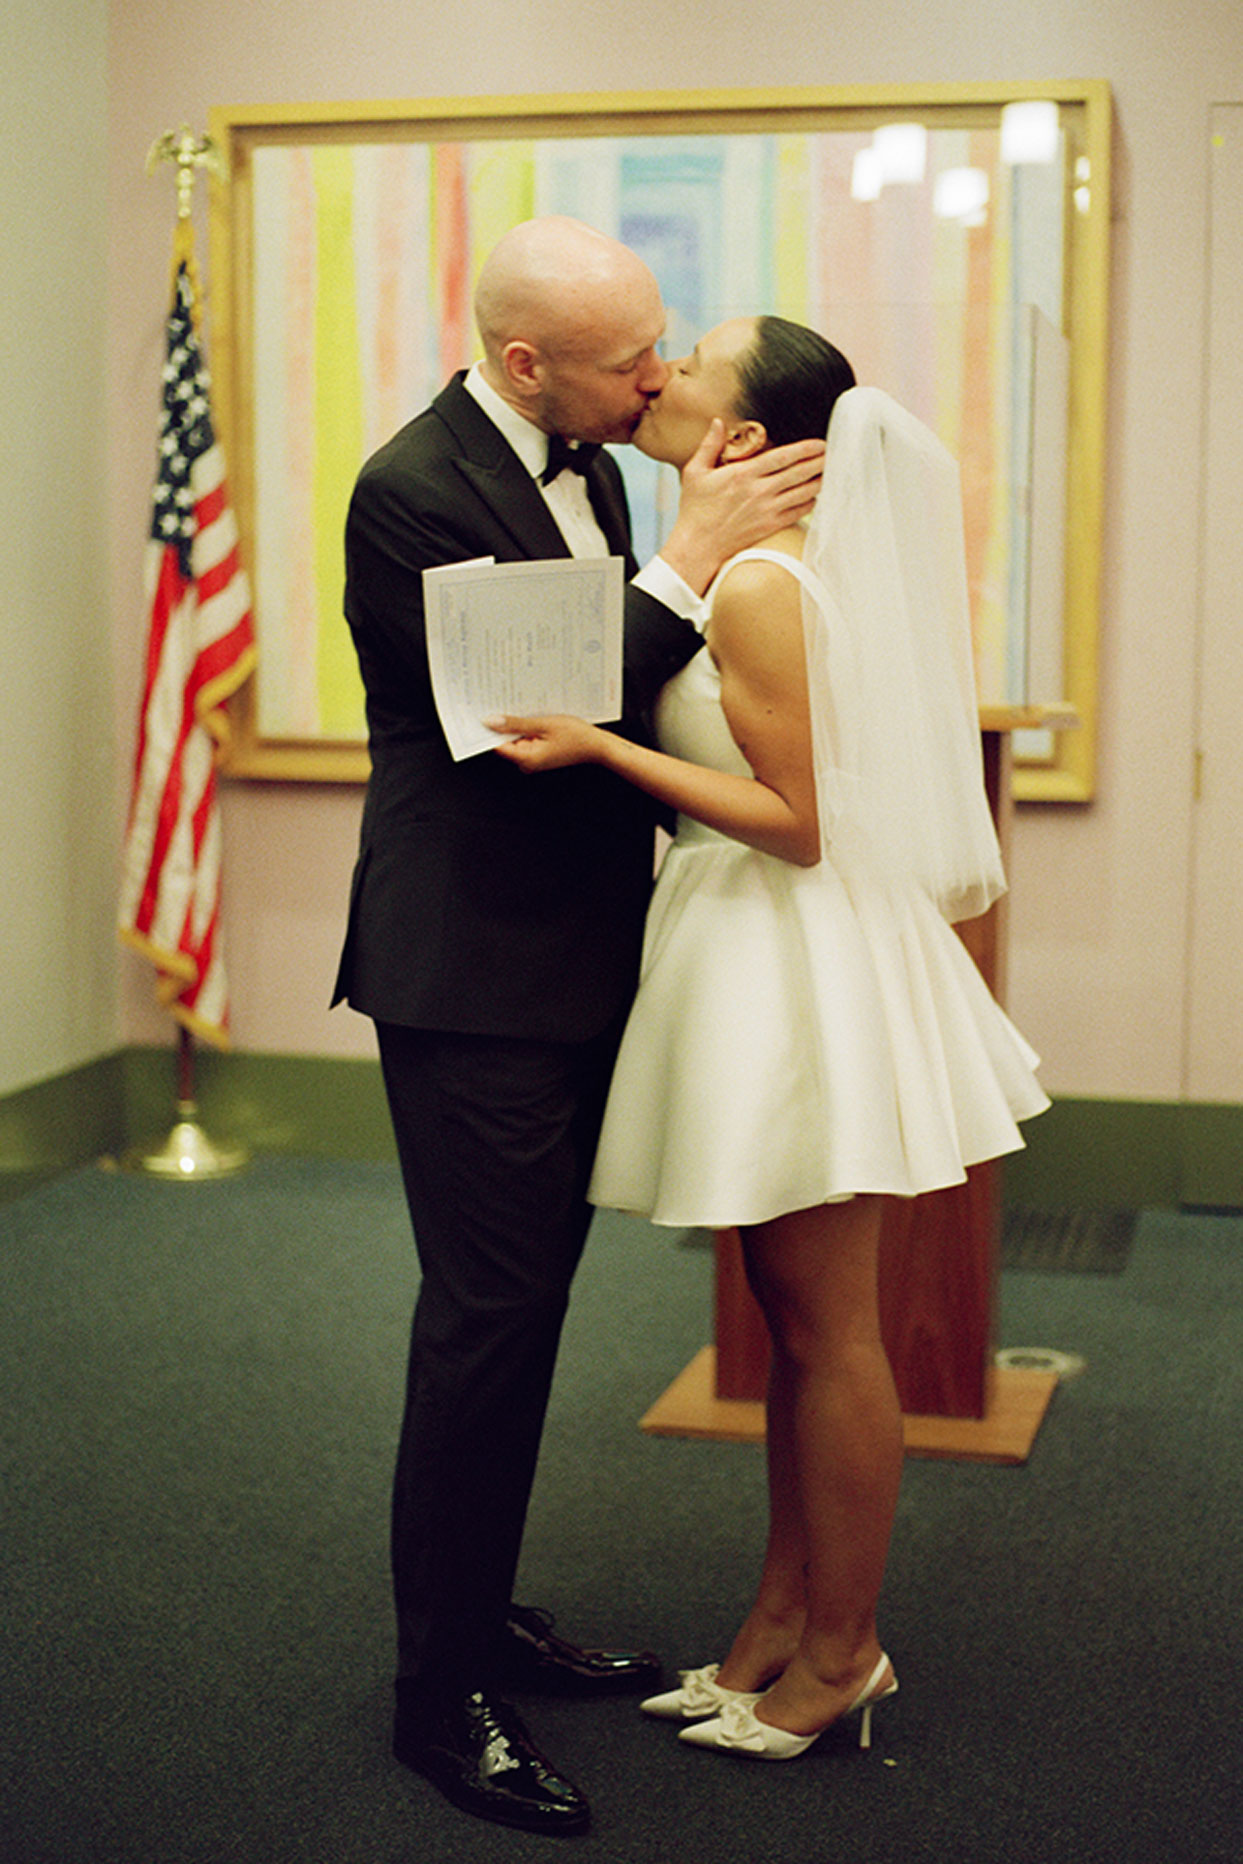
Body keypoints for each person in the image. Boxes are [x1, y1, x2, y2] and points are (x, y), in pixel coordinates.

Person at [491, 314, 1050, 1762]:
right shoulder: (747, 573)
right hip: (749, 947)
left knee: (832, 1332)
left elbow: (802, 825)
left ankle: (845, 1653)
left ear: (741, 439)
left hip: (791, 962)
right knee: (797, 1332)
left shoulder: (755, 589)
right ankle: (772, 1630)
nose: (660, 375)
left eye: (694, 368)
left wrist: (608, 745)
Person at [332, 223, 826, 1835]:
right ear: (528, 362)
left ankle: (482, 1614)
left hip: (575, 959)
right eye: (631, 359)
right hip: (467, 973)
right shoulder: (409, 488)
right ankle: (435, 1696)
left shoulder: (600, 462)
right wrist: (688, 565)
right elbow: (521, 722)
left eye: (664, 342)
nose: (659, 375)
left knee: (528, 1311)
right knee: (483, 1323)